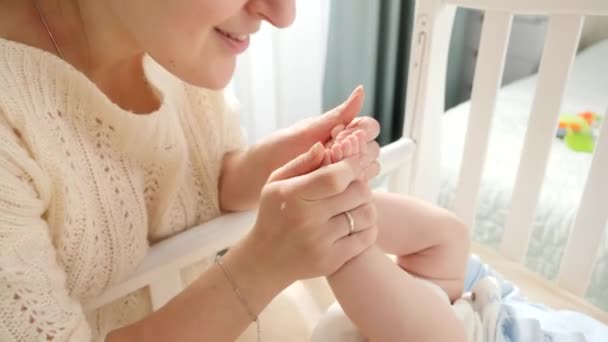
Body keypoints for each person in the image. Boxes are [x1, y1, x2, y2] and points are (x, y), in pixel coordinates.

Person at [0, 0, 469, 341]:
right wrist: (261, 264)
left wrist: (277, 163)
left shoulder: (174, 49)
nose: (284, 15)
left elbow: (203, 183)